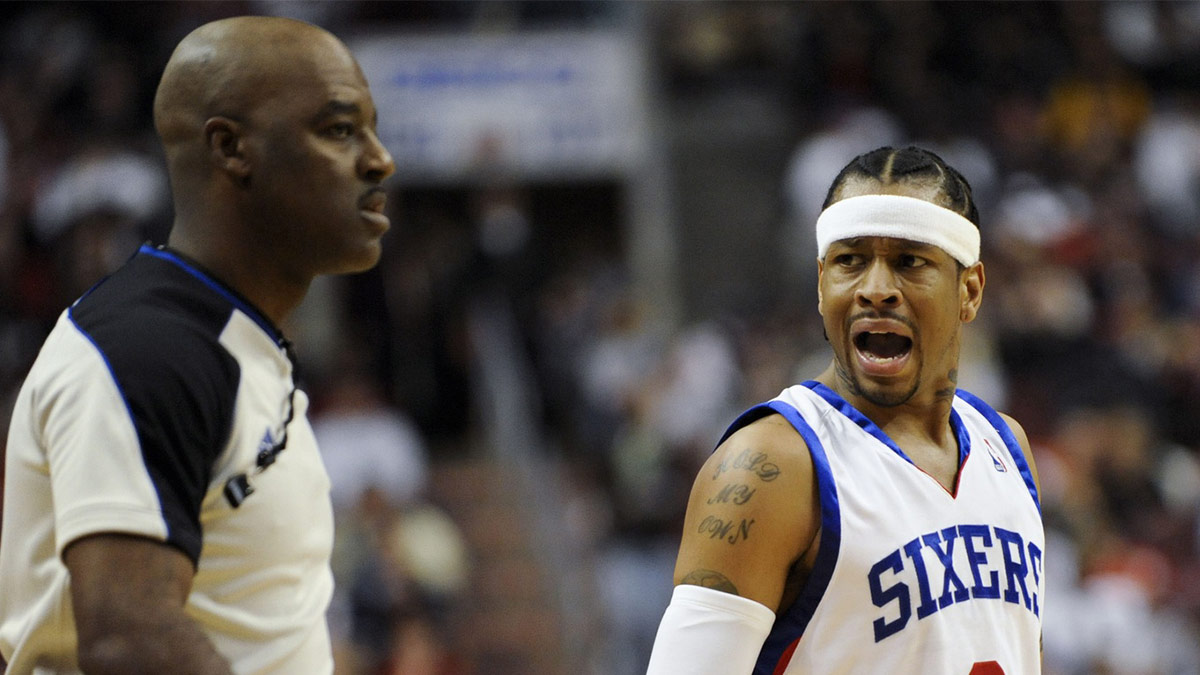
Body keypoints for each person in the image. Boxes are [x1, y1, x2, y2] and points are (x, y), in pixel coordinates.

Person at [0, 15, 395, 674]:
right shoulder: (145, 350)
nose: (380, 158)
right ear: (231, 149)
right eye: (338, 130)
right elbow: (130, 638)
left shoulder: (234, 341)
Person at [647, 146, 1044, 674]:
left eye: (910, 261)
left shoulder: (1006, 445)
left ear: (969, 290)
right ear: (820, 283)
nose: (876, 290)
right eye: (850, 261)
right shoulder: (773, 466)